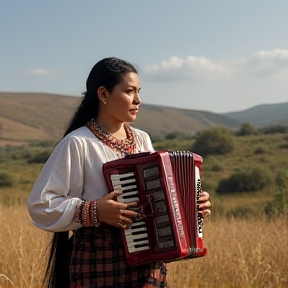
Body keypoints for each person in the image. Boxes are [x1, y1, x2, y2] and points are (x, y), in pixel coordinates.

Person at [27, 57, 212, 288]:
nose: (138, 100)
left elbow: (161, 199)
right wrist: (94, 211)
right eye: (129, 91)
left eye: (139, 91)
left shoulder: (143, 139)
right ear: (103, 95)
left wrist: (191, 207)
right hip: (99, 262)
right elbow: (41, 205)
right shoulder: (78, 143)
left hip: (147, 264)